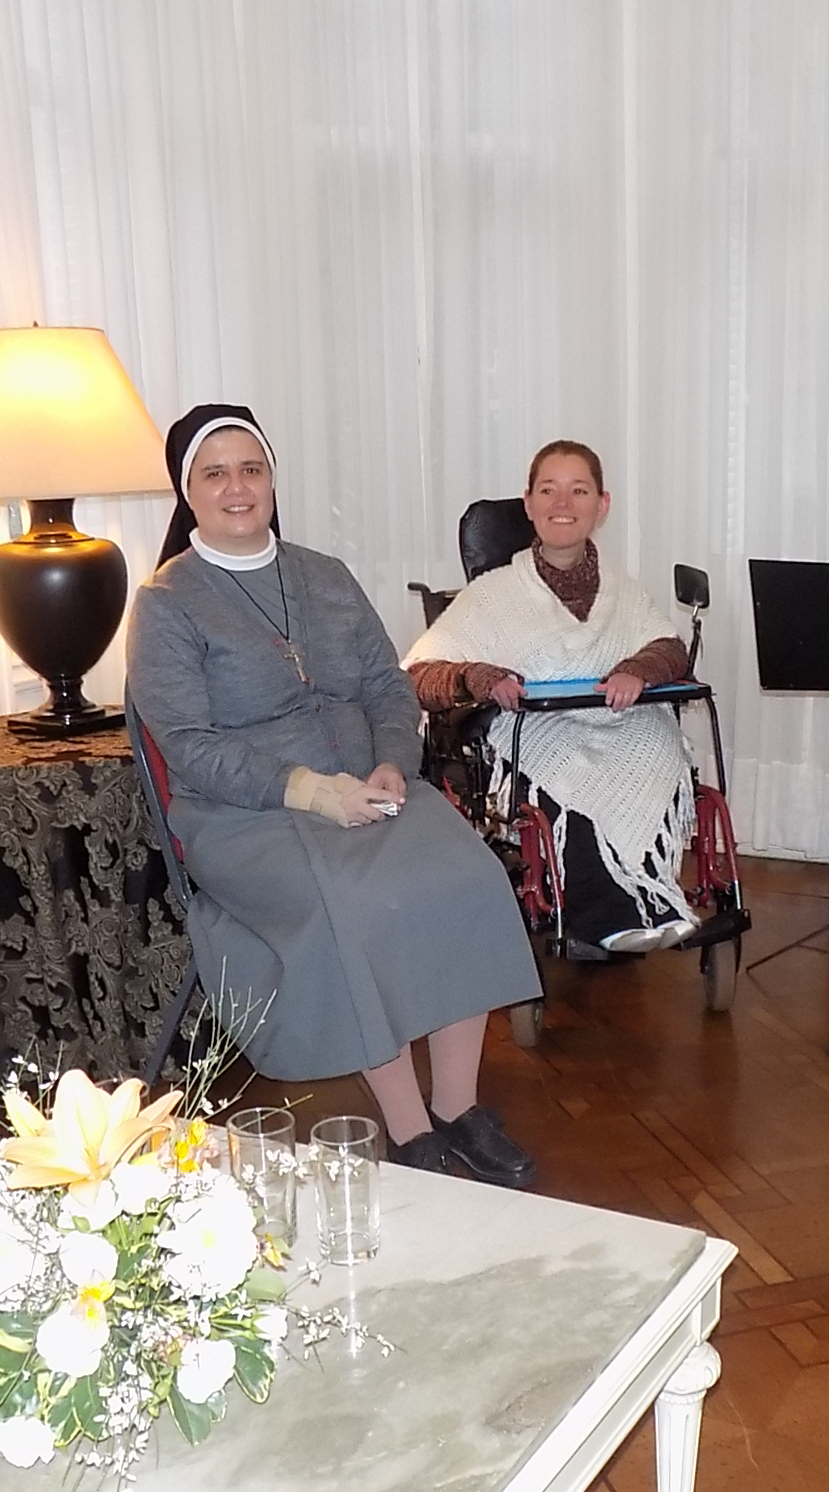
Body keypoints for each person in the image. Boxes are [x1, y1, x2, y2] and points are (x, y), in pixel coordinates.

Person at [126, 404, 543, 1185]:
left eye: (252, 468)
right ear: (189, 493)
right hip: (250, 815)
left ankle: (458, 1106)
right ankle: (411, 1129)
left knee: (469, 879)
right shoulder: (167, 602)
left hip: (374, 788)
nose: (238, 487)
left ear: (273, 479)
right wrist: (315, 793)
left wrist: (394, 762)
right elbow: (189, 745)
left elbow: (388, 687)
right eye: (214, 473)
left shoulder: (325, 575)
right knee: (359, 909)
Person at [401, 441, 697, 954]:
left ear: (601, 505)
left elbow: (669, 648)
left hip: (624, 725)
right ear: (529, 504)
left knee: (657, 751)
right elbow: (417, 673)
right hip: (536, 732)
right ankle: (606, 915)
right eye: (549, 490)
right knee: (569, 776)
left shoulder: (625, 593)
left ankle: (657, 900)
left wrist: (638, 669)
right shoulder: (490, 595)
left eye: (578, 490)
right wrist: (477, 674)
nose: (564, 503)